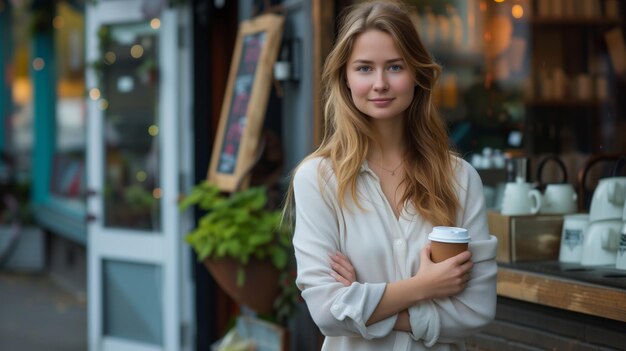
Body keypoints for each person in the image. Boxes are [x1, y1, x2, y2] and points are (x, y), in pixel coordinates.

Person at [285, 1, 498, 350]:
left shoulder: (460, 179)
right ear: (346, 78)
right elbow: (326, 312)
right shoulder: (318, 179)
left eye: (395, 67)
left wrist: (364, 303)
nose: (380, 83)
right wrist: (424, 288)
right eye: (365, 68)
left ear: (417, 74)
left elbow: (476, 310)